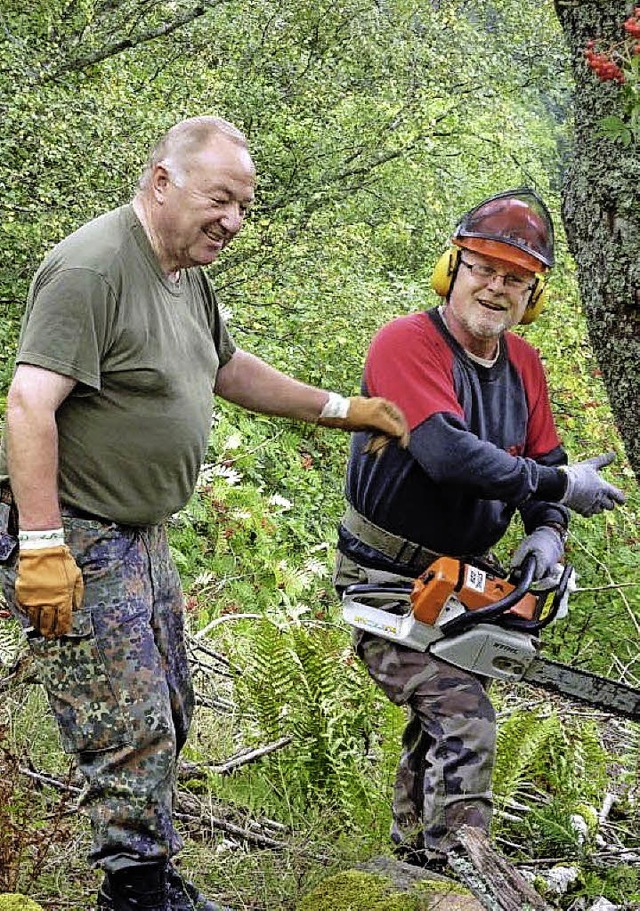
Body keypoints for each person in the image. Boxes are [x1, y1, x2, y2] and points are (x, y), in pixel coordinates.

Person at [0, 116, 409, 911]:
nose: (232, 221)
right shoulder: (92, 267)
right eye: (220, 199)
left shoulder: (186, 272)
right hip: (78, 531)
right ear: (162, 181)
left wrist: (342, 408)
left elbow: (224, 367)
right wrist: (44, 547)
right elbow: (27, 403)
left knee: (174, 704)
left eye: (244, 207)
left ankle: (148, 873)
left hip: (140, 533)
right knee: (131, 721)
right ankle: (136, 891)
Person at [333, 188, 626, 870]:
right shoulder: (405, 344)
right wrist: (557, 488)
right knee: (462, 710)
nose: (495, 288)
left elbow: (546, 466)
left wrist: (547, 531)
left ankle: (411, 861)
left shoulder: (523, 366)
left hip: (465, 581)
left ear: (533, 297)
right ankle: (464, 869)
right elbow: (446, 454)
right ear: (452, 268)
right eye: (483, 269)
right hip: (383, 578)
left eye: (515, 279)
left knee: (441, 712)